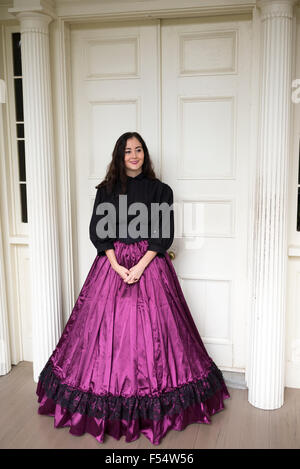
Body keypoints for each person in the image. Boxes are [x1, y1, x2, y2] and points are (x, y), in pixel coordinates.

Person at [36, 131, 230, 445]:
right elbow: (99, 233)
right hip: (112, 267)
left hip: (150, 266)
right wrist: (115, 265)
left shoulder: (160, 190)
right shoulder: (105, 190)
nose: (134, 155)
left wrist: (140, 266)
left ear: (145, 154)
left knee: (158, 335)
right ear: (119, 155)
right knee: (101, 336)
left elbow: (163, 235)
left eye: (139, 150)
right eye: (128, 151)